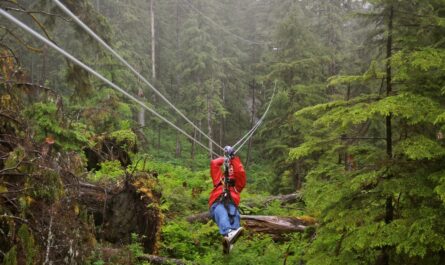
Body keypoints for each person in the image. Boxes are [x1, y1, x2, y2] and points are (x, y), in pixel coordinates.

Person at [209, 146, 246, 254]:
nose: (230, 171)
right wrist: (225, 159)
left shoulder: (237, 185)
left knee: (236, 216)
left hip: (231, 204)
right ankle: (228, 233)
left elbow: (240, 172)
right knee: (222, 213)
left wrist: (233, 157)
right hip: (217, 203)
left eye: (231, 169)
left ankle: (229, 241)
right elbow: (214, 164)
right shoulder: (219, 180)